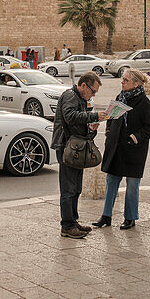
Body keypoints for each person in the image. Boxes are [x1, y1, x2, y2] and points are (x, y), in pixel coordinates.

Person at [94, 68, 150, 230]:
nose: (122, 82)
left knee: (132, 186)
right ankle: (106, 216)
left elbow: (149, 127)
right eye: (123, 79)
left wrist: (134, 138)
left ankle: (130, 218)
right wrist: (108, 131)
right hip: (115, 148)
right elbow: (111, 115)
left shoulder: (144, 102)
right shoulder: (119, 97)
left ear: (136, 83)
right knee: (111, 182)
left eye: (126, 80)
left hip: (133, 150)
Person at [51, 71, 107, 239]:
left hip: (76, 148)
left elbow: (78, 123)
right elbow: (69, 117)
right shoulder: (70, 96)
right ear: (83, 85)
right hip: (67, 147)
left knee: (76, 188)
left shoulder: (81, 99)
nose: (93, 95)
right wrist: (94, 115)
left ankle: (73, 221)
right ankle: (67, 225)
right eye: (93, 91)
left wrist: (91, 128)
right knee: (68, 189)